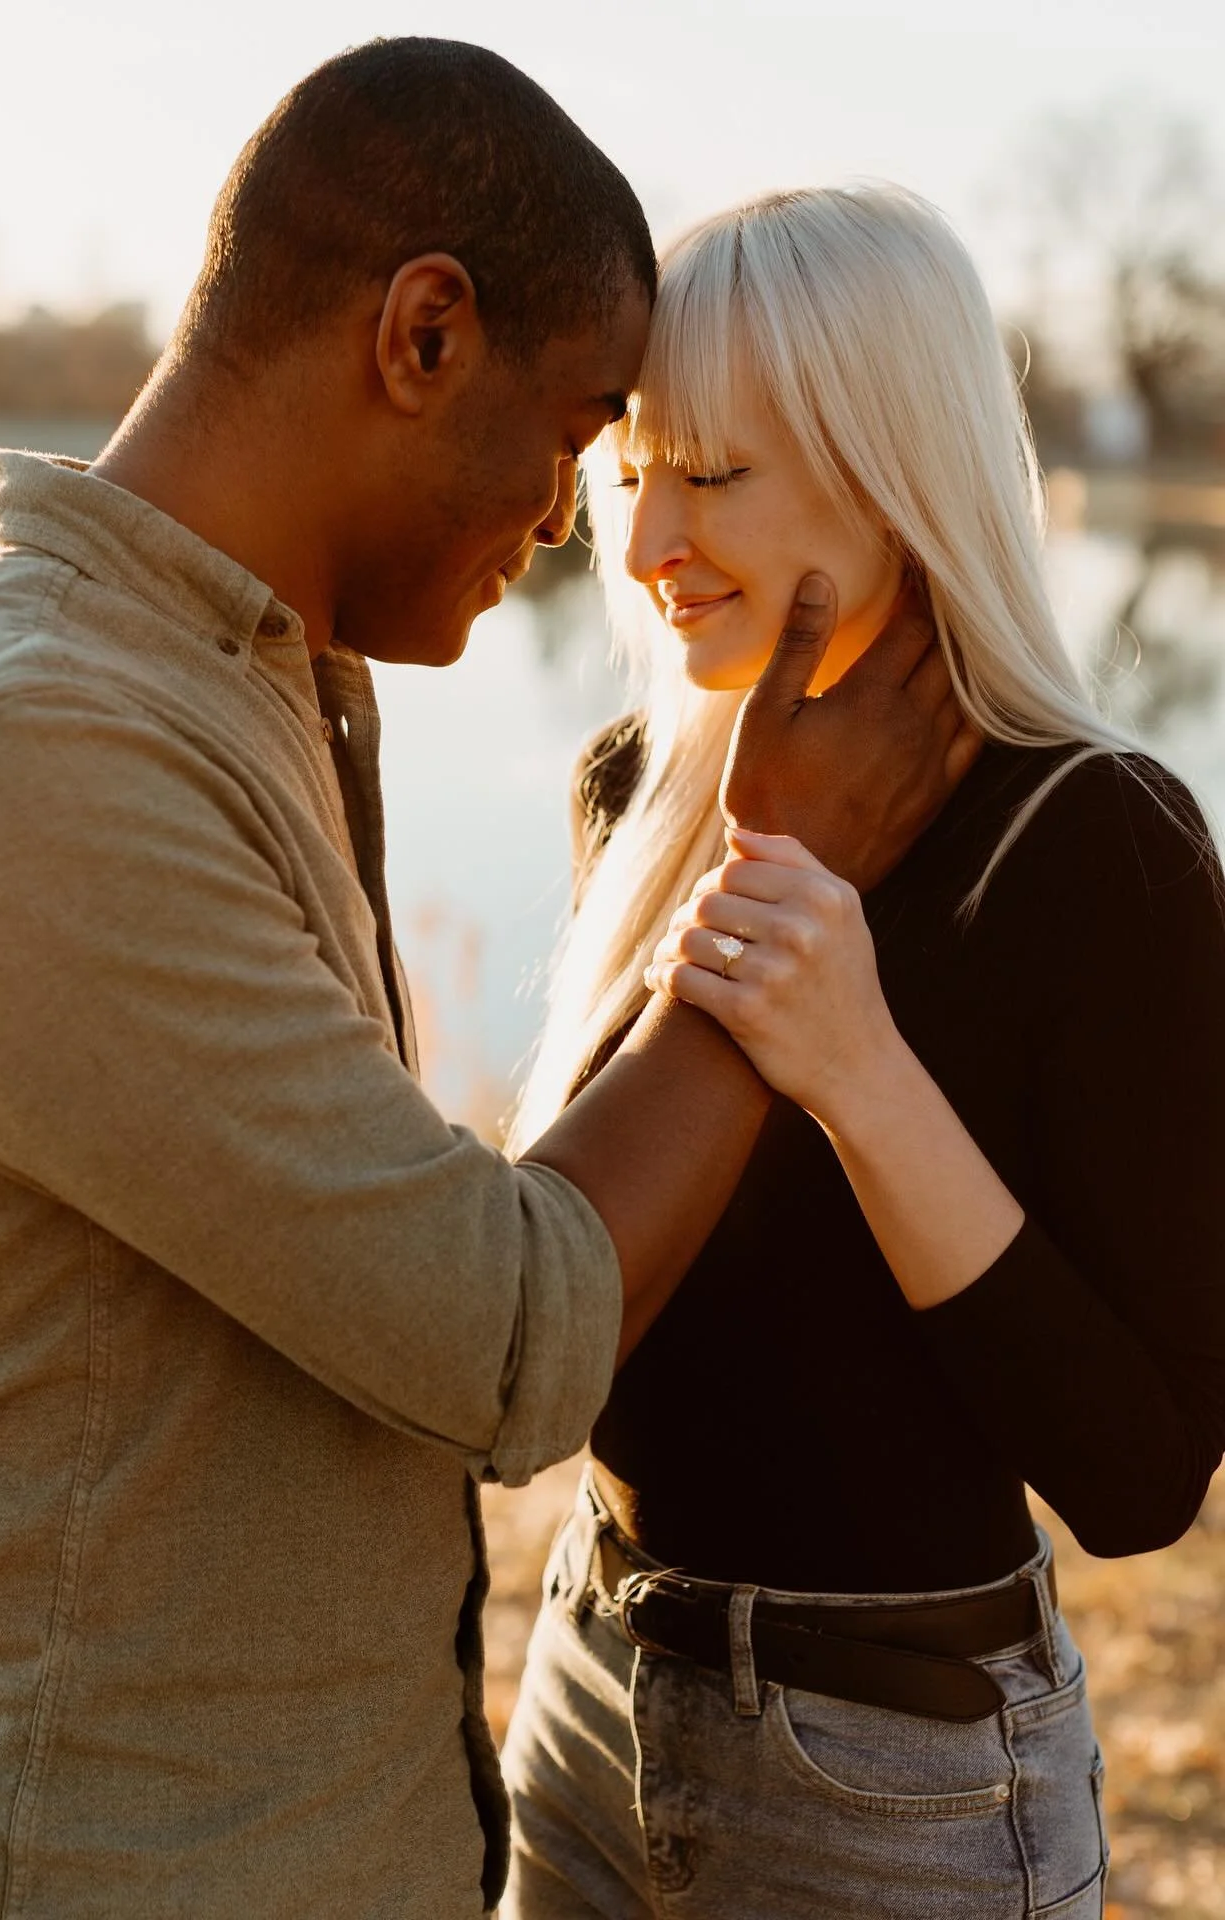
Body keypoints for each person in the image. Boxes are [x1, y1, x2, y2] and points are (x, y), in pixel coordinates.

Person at [0, 50, 969, 1920]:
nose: (581, 528)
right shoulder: (32, 753)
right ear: (424, 335)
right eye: (581, 438)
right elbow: (500, 1340)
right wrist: (779, 892)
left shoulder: (228, 677)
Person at [502, 183, 1225, 1920]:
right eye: (633, 469)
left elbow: (1140, 1481)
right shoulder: (634, 789)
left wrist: (853, 1065)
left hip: (892, 1784)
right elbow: (571, 1309)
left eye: (715, 473)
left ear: (895, 471)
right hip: (587, 1690)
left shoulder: (1098, 843)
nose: (648, 536)